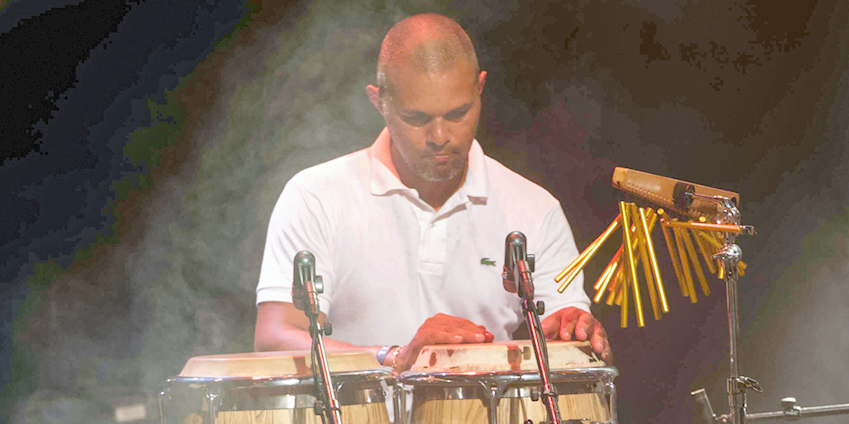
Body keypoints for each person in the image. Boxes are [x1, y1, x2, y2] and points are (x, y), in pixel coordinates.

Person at [254, 13, 610, 371]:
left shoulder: (534, 209)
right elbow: (274, 339)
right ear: (379, 102)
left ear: (480, 88)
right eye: (417, 117)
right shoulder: (316, 196)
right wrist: (397, 358)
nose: (440, 136)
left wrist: (571, 337)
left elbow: (571, 355)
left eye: (458, 113)